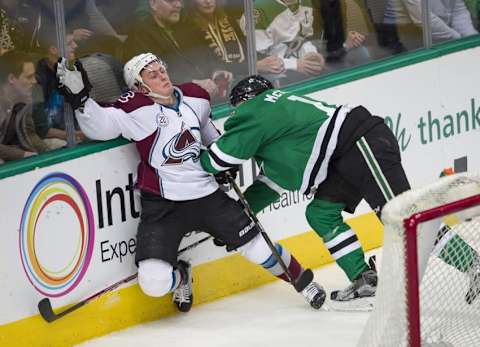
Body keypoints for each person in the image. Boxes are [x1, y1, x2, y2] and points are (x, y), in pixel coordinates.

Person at [55, 52, 327, 312]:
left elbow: (211, 136)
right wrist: (82, 101)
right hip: (163, 204)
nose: (161, 75)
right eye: (152, 74)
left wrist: (222, 162)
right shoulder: (136, 108)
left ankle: (305, 284)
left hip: (207, 196)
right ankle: (181, 277)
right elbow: (101, 127)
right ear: (139, 86)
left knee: (257, 248)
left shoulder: (195, 98)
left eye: (162, 69)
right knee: (153, 282)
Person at [199, 75, 480, 303]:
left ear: (245, 101)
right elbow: (274, 181)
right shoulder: (278, 117)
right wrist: (238, 216)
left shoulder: (256, 110)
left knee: (407, 219)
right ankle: (363, 278)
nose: (236, 114)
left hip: (360, 144)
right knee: (321, 212)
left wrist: (190, 158)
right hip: (346, 155)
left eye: (237, 108)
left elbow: (218, 159)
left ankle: (473, 265)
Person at [122, 0, 219, 98]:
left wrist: (216, 71)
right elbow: (149, 79)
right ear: (153, 4)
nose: (178, 5)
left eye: (180, 1)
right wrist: (191, 84)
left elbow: (207, 55)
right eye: (171, 1)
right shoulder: (139, 36)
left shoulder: (189, 26)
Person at [0, 50, 61, 161]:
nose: (34, 81)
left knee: (57, 145)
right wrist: (22, 155)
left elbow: (29, 133)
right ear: (11, 79)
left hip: (13, 149)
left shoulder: (22, 100)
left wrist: (48, 157)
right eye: (29, 77)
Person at [384, 0, 478, 46]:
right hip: (402, 37)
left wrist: (472, 39)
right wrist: (458, 41)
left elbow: (458, 12)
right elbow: (423, 19)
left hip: (441, 34)